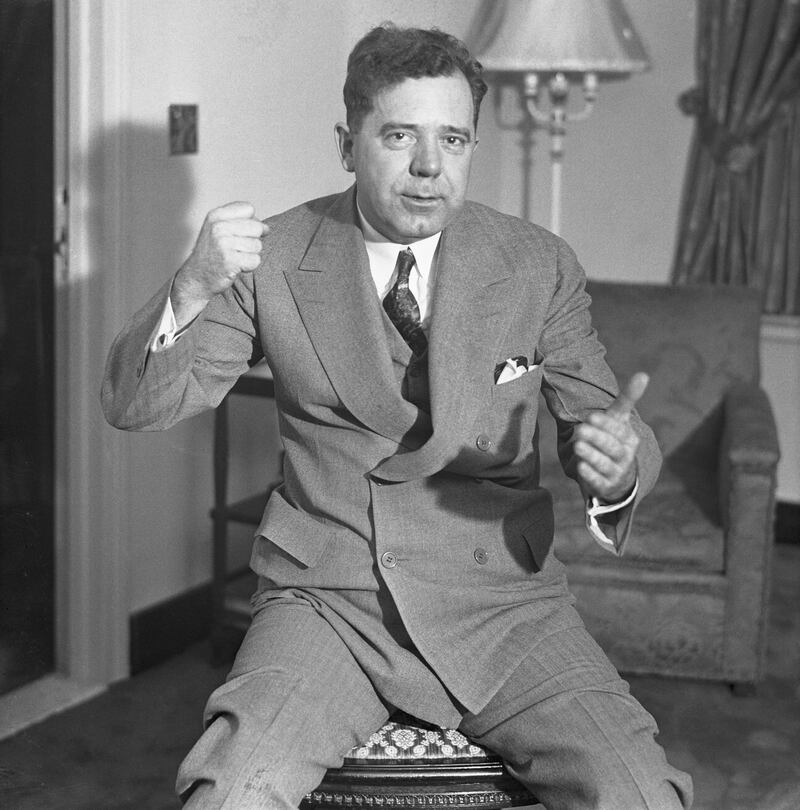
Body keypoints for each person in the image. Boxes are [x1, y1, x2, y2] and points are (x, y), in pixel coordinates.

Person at [102, 24, 693, 810]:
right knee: (233, 790)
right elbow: (136, 405)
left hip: (505, 602)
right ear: (348, 145)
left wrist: (616, 469)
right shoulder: (272, 259)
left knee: (640, 792)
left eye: (453, 138)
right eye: (400, 136)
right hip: (329, 599)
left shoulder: (536, 263)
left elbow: (604, 417)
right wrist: (190, 288)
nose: (429, 166)